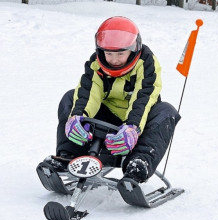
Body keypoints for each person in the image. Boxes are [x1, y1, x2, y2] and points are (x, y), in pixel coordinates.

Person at [44, 16, 181, 183]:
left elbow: (143, 98)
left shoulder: (146, 62)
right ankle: (69, 156)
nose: (114, 60)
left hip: (137, 125)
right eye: (109, 54)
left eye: (120, 54)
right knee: (70, 97)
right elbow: (89, 94)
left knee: (167, 111)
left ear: (133, 49)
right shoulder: (96, 64)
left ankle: (138, 164)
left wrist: (133, 128)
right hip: (105, 124)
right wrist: (77, 116)